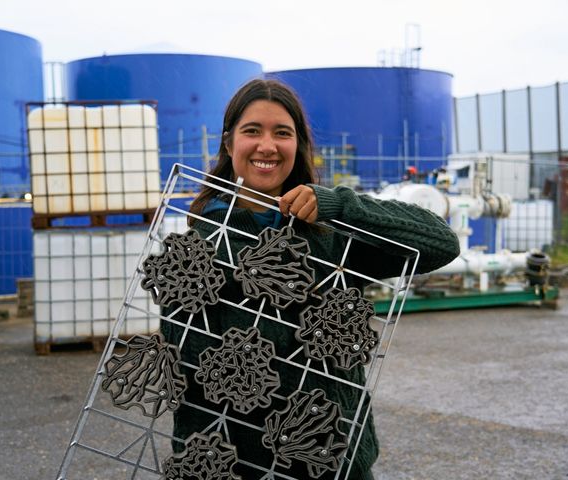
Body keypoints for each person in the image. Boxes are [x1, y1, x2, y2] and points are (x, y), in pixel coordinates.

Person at [163, 78, 459, 479]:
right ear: (230, 144)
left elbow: (440, 243)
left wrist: (339, 206)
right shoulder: (196, 250)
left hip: (339, 460)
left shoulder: (331, 234)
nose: (267, 146)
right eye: (252, 131)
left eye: (282, 133)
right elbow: (190, 382)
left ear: (297, 146)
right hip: (251, 465)